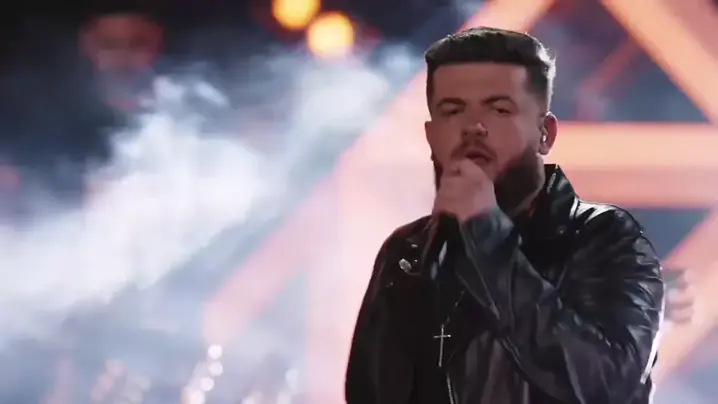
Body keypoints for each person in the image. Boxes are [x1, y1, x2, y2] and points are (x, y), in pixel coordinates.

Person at [345, 27, 664, 404]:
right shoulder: (407, 253)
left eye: (498, 109)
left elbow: (606, 384)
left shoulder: (607, 238)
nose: (473, 127)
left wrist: (487, 233)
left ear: (545, 134)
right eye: (453, 110)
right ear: (431, 136)